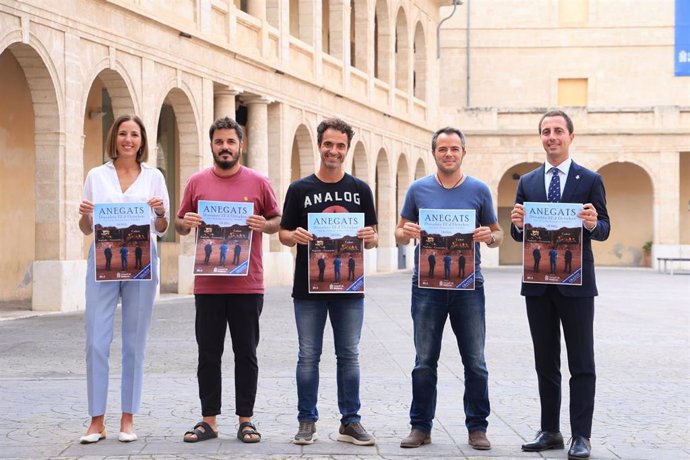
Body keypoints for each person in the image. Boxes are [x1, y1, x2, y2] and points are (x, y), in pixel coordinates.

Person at [510, 110, 610, 460]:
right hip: (538, 284)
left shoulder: (590, 179)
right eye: (545, 131)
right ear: (541, 138)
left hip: (577, 283)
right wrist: (518, 224)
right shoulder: (528, 181)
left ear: (571, 136)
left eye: (557, 131)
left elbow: (604, 228)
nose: (551, 136)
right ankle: (550, 430)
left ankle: (581, 435)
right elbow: (517, 232)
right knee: (545, 361)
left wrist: (593, 223)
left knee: (582, 361)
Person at [395, 127, 503, 451]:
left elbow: (498, 235)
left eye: (455, 149)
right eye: (443, 149)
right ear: (434, 153)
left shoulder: (479, 190)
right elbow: (400, 232)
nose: (449, 154)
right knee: (424, 360)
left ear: (463, 153)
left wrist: (489, 236)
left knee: (475, 361)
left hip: (469, 286)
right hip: (426, 287)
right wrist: (406, 231)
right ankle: (420, 426)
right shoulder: (417, 189)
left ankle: (477, 428)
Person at [176, 117, 281, 444]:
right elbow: (178, 224)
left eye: (230, 142)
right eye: (219, 142)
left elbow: (278, 219)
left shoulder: (259, 182)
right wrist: (186, 222)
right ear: (212, 145)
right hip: (207, 284)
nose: (225, 147)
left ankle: (245, 420)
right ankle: (208, 421)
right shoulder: (196, 182)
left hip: (247, 284)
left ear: (241, 145)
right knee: (208, 353)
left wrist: (264, 224)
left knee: (245, 353)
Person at [279, 117, 378, 446]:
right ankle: (306, 420)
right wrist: (294, 235)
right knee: (308, 355)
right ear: (319, 146)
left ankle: (350, 421)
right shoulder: (299, 189)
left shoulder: (360, 190)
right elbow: (282, 233)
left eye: (340, 146)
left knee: (349, 354)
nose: (333, 150)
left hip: (349, 287)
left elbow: (373, 237)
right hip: (308, 287)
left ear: (347, 149)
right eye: (328, 144)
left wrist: (369, 235)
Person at [77, 114, 170, 444]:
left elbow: (163, 227)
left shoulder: (154, 177)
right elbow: (86, 229)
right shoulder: (96, 176)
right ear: (114, 138)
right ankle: (96, 420)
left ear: (142, 141)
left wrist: (159, 213)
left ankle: (128, 417)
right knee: (95, 341)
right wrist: (86, 215)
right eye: (122, 134)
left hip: (142, 263)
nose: (128, 140)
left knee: (134, 341)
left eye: (134, 135)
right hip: (103, 263)